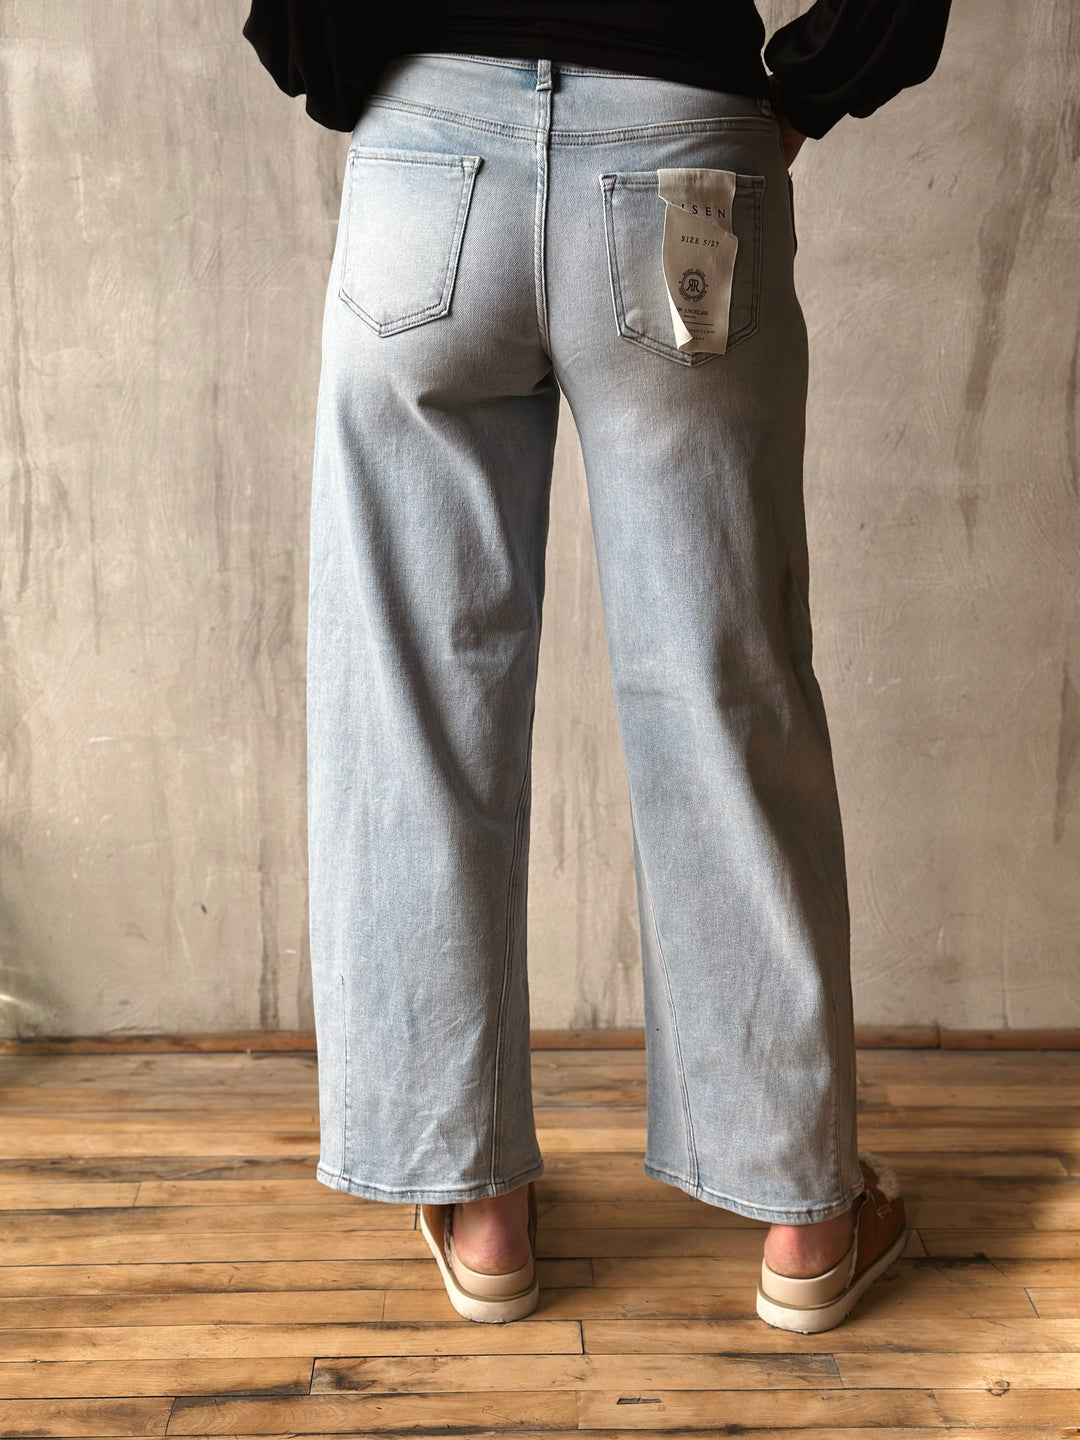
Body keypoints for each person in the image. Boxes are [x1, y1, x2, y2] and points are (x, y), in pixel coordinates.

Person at [242, 1, 953, 1330]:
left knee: (412, 697)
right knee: (725, 686)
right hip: (680, 151)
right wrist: (794, 95)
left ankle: (478, 1200)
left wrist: (343, 59)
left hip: (428, 164)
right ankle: (804, 1216)